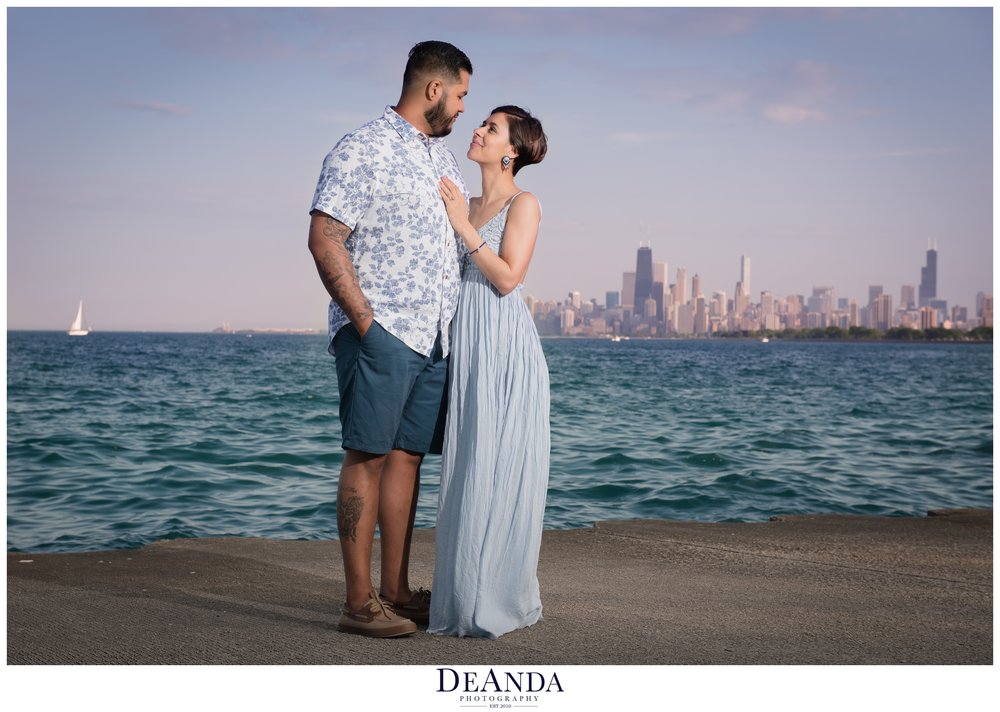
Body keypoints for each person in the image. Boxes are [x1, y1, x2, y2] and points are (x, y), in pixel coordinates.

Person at [307, 40, 472, 638]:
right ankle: (358, 604)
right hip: (382, 331)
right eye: (459, 96)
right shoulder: (361, 148)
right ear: (434, 89)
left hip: (434, 338)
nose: (462, 111)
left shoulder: (445, 160)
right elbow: (326, 238)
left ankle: (396, 590)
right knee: (367, 457)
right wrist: (364, 322)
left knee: (407, 459)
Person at [428, 106, 550, 638]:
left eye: (491, 128)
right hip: (467, 346)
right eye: (481, 122)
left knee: (499, 465)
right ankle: (461, 592)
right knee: (467, 464)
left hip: (504, 346)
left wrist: (460, 226)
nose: (477, 130)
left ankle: (496, 595)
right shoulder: (466, 199)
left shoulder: (524, 204)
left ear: (512, 150)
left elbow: (507, 279)